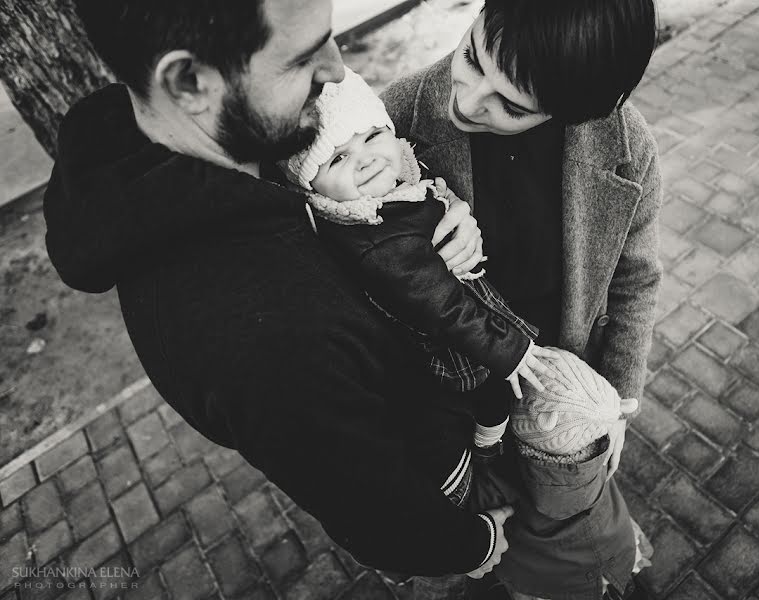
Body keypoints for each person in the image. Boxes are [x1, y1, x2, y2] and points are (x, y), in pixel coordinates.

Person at [43, 0, 514, 580]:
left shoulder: (222, 148)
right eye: (300, 57)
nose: (338, 69)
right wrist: (474, 545)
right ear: (189, 82)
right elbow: (385, 517)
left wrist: (438, 213)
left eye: (329, 36)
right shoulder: (269, 340)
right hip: (440, 471)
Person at [381, 0, 662, 597]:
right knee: (484, 542)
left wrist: (618, 404)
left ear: (578, 112)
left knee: (571, 541)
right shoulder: (393, 119)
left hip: (559, 393)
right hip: (452, 405)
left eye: (511, 105)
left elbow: (635, 278)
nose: (468, 98)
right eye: (471, 54)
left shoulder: (629, 145)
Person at [283, 66, 559, 452]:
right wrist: (508, 350)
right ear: (312, 187)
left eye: (373, 136)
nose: (365, 160)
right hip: (455, 337)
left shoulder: (391, 184)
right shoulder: (375, 239)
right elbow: (441, 305)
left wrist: (449, 199)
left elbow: (425, 188)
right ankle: (488, 444)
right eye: (338, 159)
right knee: (491, 391)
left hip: (471, 311)